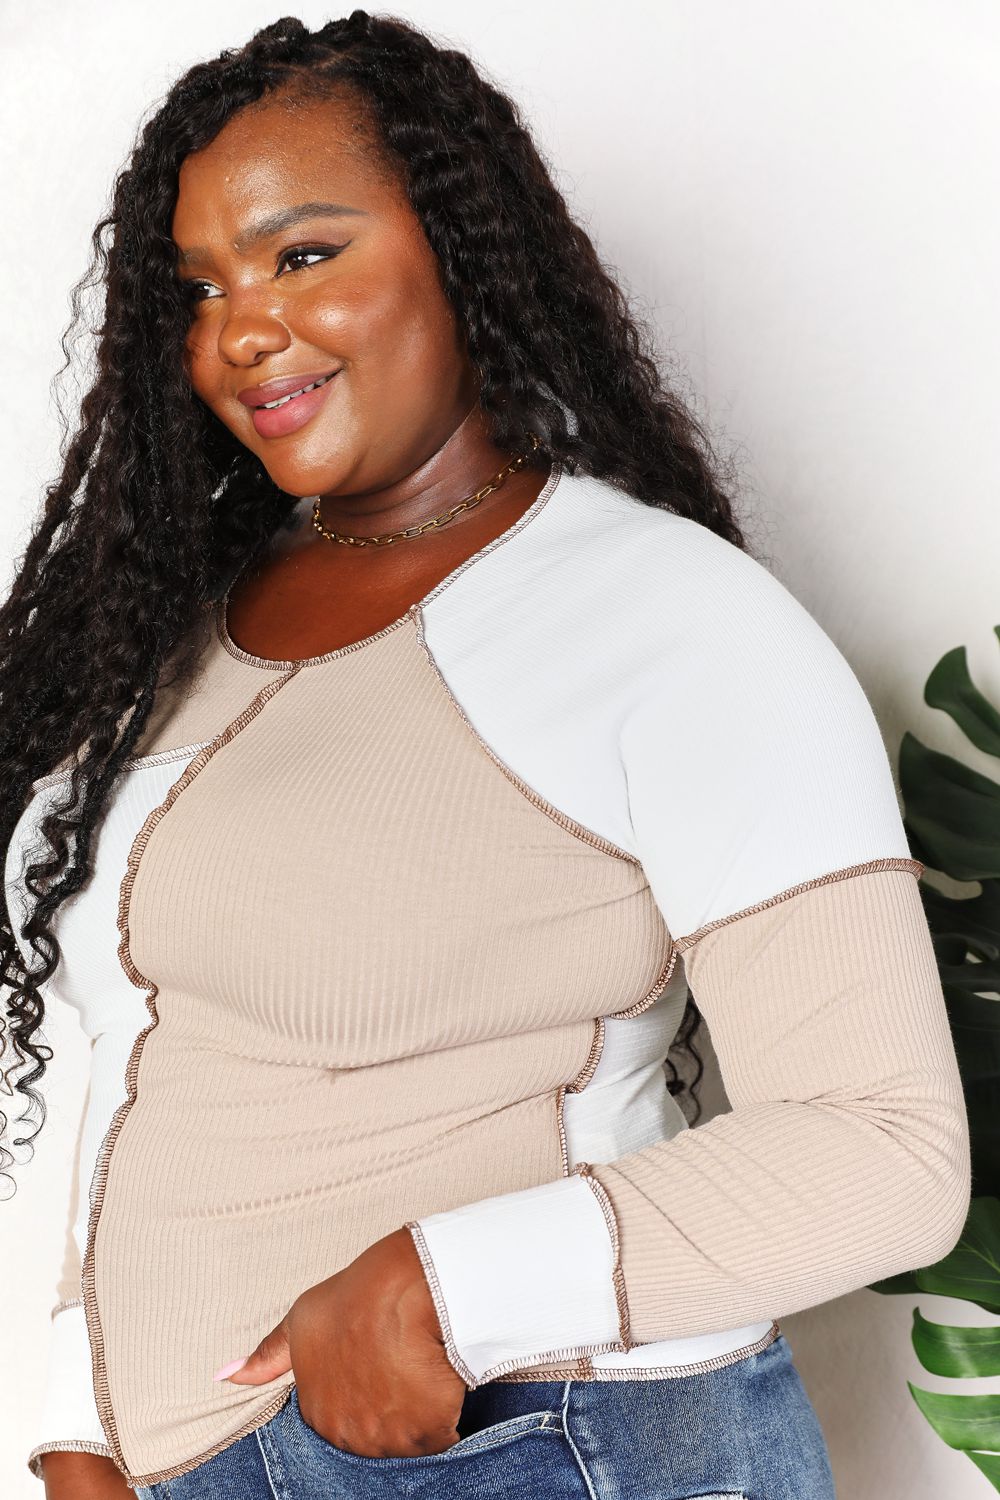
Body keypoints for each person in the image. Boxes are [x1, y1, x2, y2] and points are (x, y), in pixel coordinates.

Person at [1, 12, 970, 1500]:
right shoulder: (180, 626)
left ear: (461, 248)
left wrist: (440, 1286)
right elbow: (156, 1053)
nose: (240, 327)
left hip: (519, 1446)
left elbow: (885, 1147)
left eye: (301, 254)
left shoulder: (672, 621)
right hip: (185, 1467)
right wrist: (79, 1421)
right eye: (198, 288)